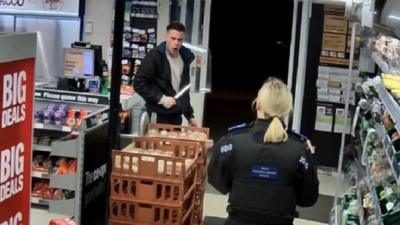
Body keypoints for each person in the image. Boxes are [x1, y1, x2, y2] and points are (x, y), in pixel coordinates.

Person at [208, 78, 319, 225]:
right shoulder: (299, 149)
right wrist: (310, 159)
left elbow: (217, 182)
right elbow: (308, 199)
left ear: (258, 104)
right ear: (287, 110)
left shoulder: (233, 141)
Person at [134, 22, 197, 126]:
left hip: (176, 115)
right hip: (158, 115)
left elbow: (183, 90)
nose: (176, 43)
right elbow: (139, 84)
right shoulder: (155, 56)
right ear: (166, 37)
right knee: (159, 142)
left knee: (174, 142)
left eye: (179, 40)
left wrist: (189, 115)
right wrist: (161, 99)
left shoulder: (185, 57)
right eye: (173, 38)